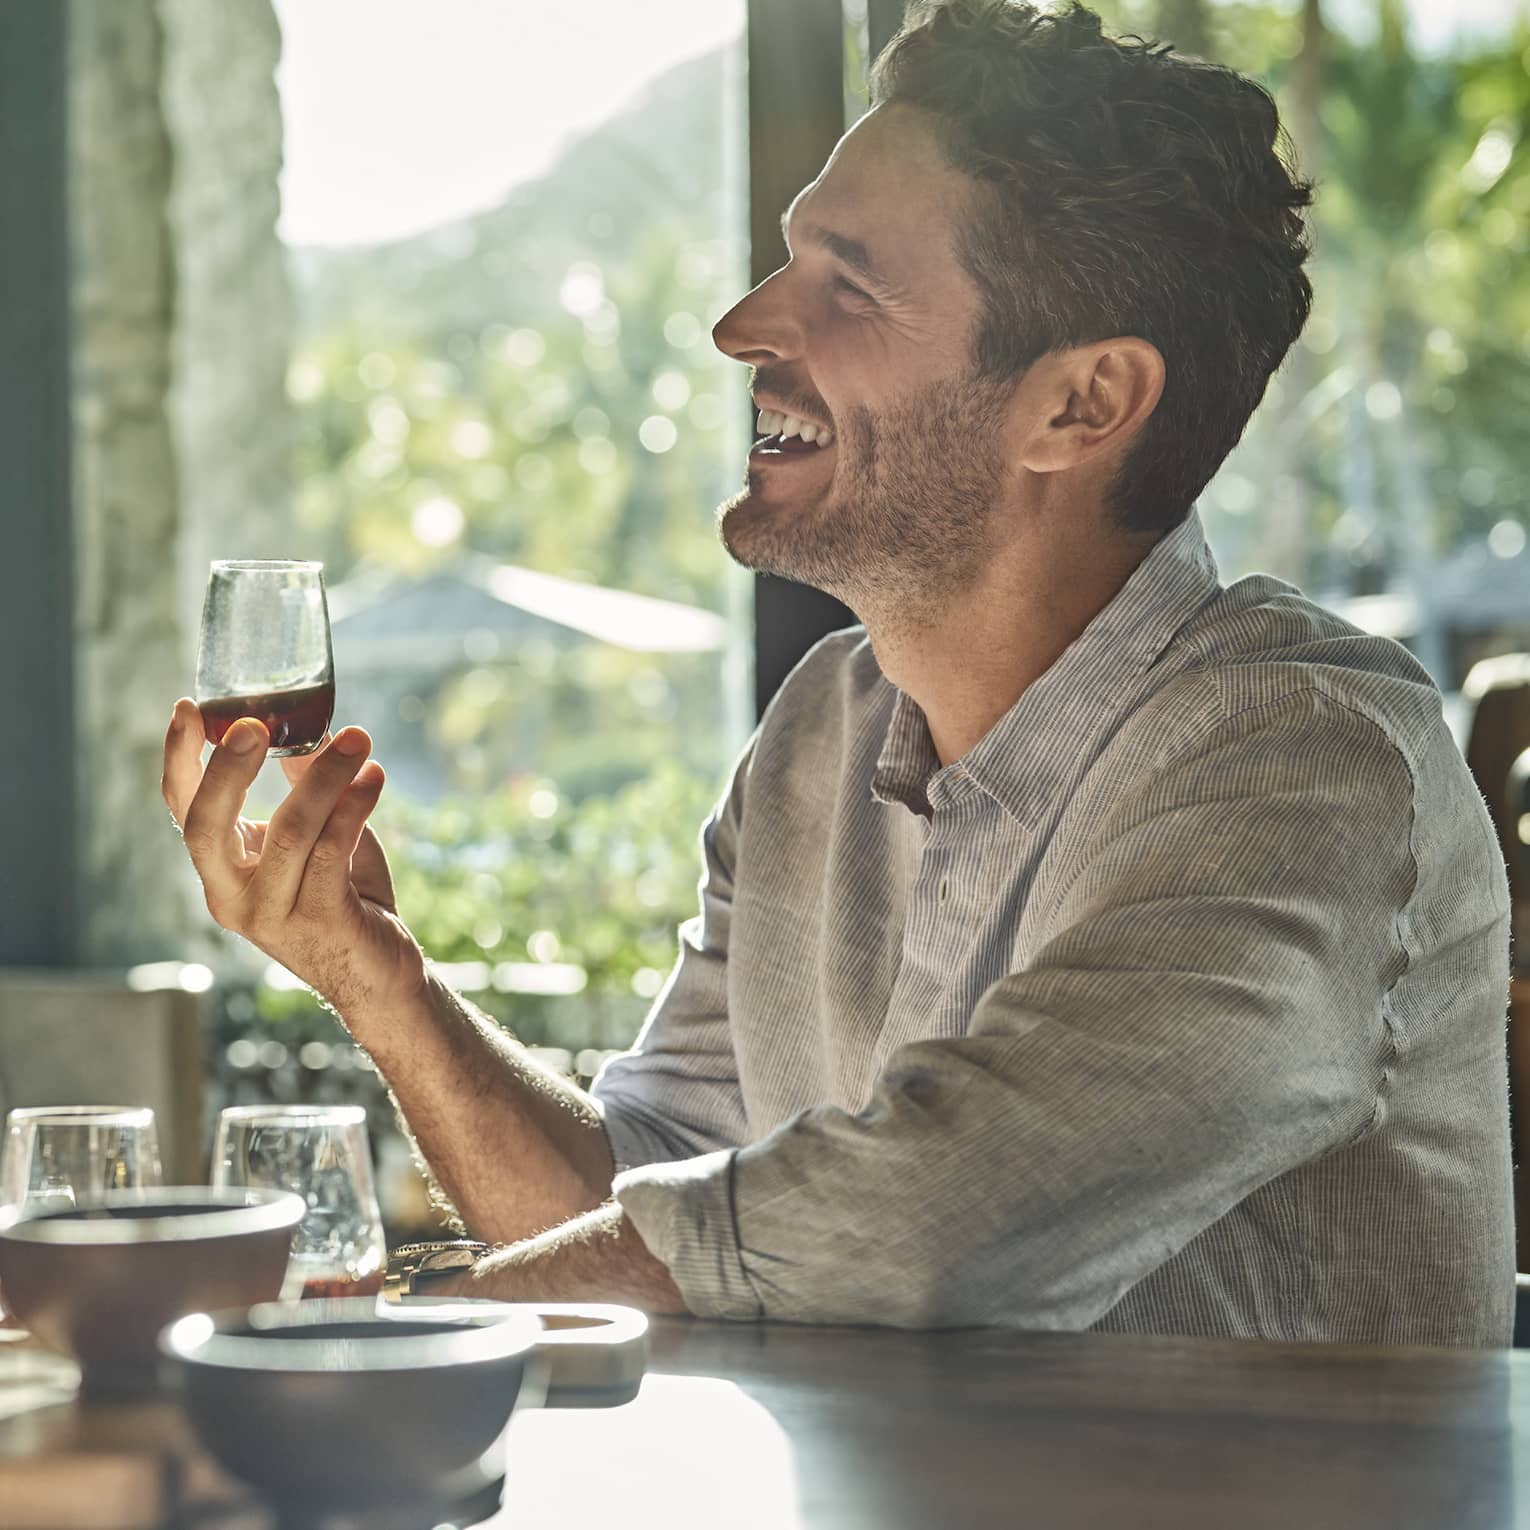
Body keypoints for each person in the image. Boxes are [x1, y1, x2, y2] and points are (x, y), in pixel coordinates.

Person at [162, 0, 1513, 1344]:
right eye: (782, 263)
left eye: (844, 286)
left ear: (1080, 404)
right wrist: (373, 974)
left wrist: (378, 1337)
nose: (743, 325)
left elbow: (928, 1223)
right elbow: (642, 1201)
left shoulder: (1300, 761)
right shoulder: (823, 727)